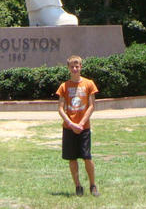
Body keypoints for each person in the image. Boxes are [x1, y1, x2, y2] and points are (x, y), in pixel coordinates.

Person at [56, 55, 100, 197]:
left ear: (81, 67)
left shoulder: (89, 84)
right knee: (72, 158)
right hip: (69, 128)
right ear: (68, 68)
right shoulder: (64, 86)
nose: (75, 69)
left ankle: (93, 185)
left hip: (84, 128)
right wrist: (71, 123)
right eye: (72, 67)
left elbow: (92, 106)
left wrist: (81, 123)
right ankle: (78, 186)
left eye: (77, 66)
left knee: (87, 157)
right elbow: (60, 109)